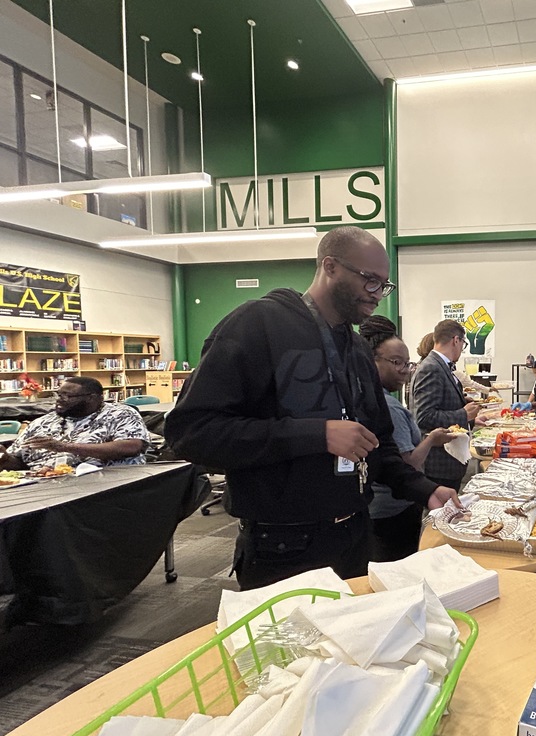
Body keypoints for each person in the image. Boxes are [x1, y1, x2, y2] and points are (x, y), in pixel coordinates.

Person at [164, 226, 460, 590]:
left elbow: (378, 445)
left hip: (355, 534)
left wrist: (425, 490)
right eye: (369, 281)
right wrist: (317, 434)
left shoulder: (356, 350)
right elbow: (190, 433)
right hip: (282, 547)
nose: (377, 295)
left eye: (384, 285)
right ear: (330, 267)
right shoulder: (256, 325)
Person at [359, 316, 456, 562]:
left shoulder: (381, 400)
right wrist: (431, 439)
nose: (403, 370)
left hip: (392, 504)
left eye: (406, 363)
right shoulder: (388, 407)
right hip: (392, 508)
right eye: (395, 362)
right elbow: (406, 464)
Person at [0, 376, 148, 471]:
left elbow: (132, 446)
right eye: (59, 394)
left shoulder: (120, 414)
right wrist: (5, 459)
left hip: (104, 485)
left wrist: (63, 447)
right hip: (44, 485)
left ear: (92, 398)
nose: (59, 399)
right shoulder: (42, 422)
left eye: (68, 396)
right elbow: (20, 462)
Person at [410, 319, 482, 489]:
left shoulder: (441, 366)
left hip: (449, 461)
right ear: (456, 340)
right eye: (463, 344)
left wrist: (461, 403)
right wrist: (463, 414)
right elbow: (425, 417)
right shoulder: (432, 367)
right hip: (439, 463)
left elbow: (438, 404)